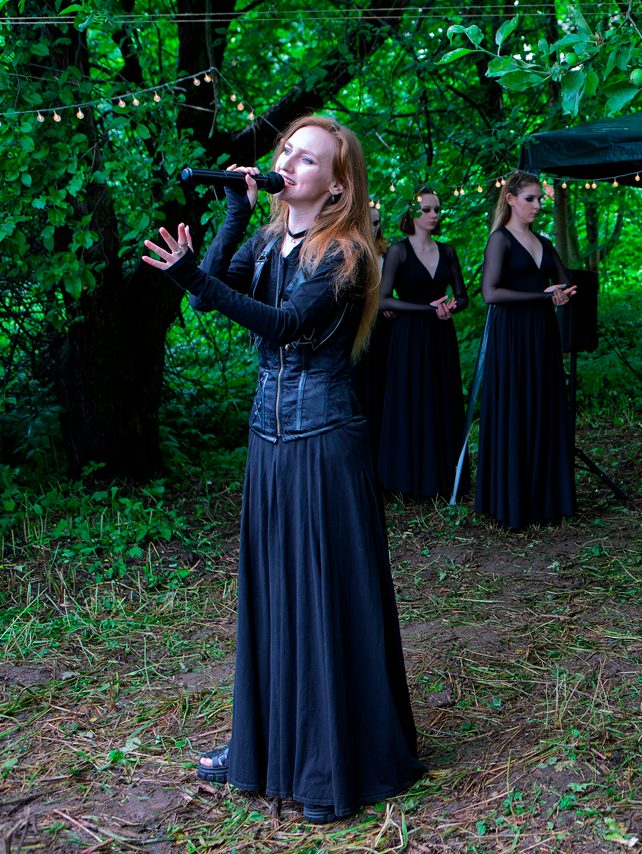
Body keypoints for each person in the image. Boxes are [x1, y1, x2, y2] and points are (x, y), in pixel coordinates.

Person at [143, 115, 423, 823]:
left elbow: (283, 324)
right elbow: (212, 290)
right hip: (268, 442)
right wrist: (234, 215)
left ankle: (330, 767)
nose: (290, 163)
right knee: (275, 597)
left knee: (322, 598)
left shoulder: (349, 255)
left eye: (308, 159)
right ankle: (263, 747)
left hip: (324, 443)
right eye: (287, 152)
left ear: (337, 186)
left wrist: (191, 275)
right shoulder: (271, 238)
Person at [474, 171, 577, 530]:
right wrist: (542, 295)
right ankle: (513, 502)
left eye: (540, 199)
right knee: (516, 407)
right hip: (512, 335)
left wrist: (563, 294)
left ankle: (544, 500)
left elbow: (564, 281)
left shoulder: (543, 242)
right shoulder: (499, 240)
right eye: (530, 199)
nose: (537, 205)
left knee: (543, 405)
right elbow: (490, 293)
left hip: (542, 333)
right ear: (511, 199)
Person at [377, 187, 470, 498]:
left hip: (441, 334)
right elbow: (383, 299)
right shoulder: (398, 251)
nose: (433, 215)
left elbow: (463, 297)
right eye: (427, 209)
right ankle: (409, 480)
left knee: (442, 398)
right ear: (412, 213)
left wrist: (450, 307)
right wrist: (426, 309)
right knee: (411, 399)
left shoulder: (448, 251)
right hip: (409, 336)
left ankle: (443, 478)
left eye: (437, 210)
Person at [352, 203, 393, 457]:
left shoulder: (386, 256)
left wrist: (391, 306)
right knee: (359, 386)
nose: (373, 227)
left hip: (383, 328)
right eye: (369, 221)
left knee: (381, 385)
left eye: (377, 222)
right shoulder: (350, 252)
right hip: (357, 328)